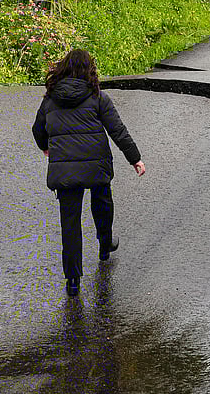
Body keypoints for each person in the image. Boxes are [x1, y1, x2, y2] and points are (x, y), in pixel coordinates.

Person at [32, 48, 146, 297]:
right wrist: (134, 158)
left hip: (65, 170)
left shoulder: (50, 99)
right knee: (102, 201)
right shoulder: (97, 97)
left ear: (62, 69)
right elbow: (118, 131)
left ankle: (73, 279)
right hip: (96, 165)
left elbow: (38, 130)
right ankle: (105, 244)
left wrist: (46, 148)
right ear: (89, 70)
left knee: (69, 223)